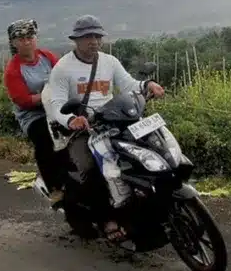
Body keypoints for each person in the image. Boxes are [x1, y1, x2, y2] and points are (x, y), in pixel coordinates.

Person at [46, 14, 165, 242]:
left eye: (97, 36)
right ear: (76, 40)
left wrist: (147, 85)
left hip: (114, 122)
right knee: (91, 169)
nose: (94, 41)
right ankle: (106, 218)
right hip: (82, 130)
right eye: (88, 37)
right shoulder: (63, 68)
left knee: (145, 153)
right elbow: (57, 103)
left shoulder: (109, 62)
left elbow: (128, 84)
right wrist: (71, 120)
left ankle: (147, 204)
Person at [2, 18, 65, 206]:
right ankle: (54, 187)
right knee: (45, 138)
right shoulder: (13, 70)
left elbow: (63, 76)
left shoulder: (47, 57)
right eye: (21, 39)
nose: (27, 42)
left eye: (30, 37)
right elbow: (22, 100)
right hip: (33, 115)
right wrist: (46, 95)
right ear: (14, 43)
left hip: (56, 107)